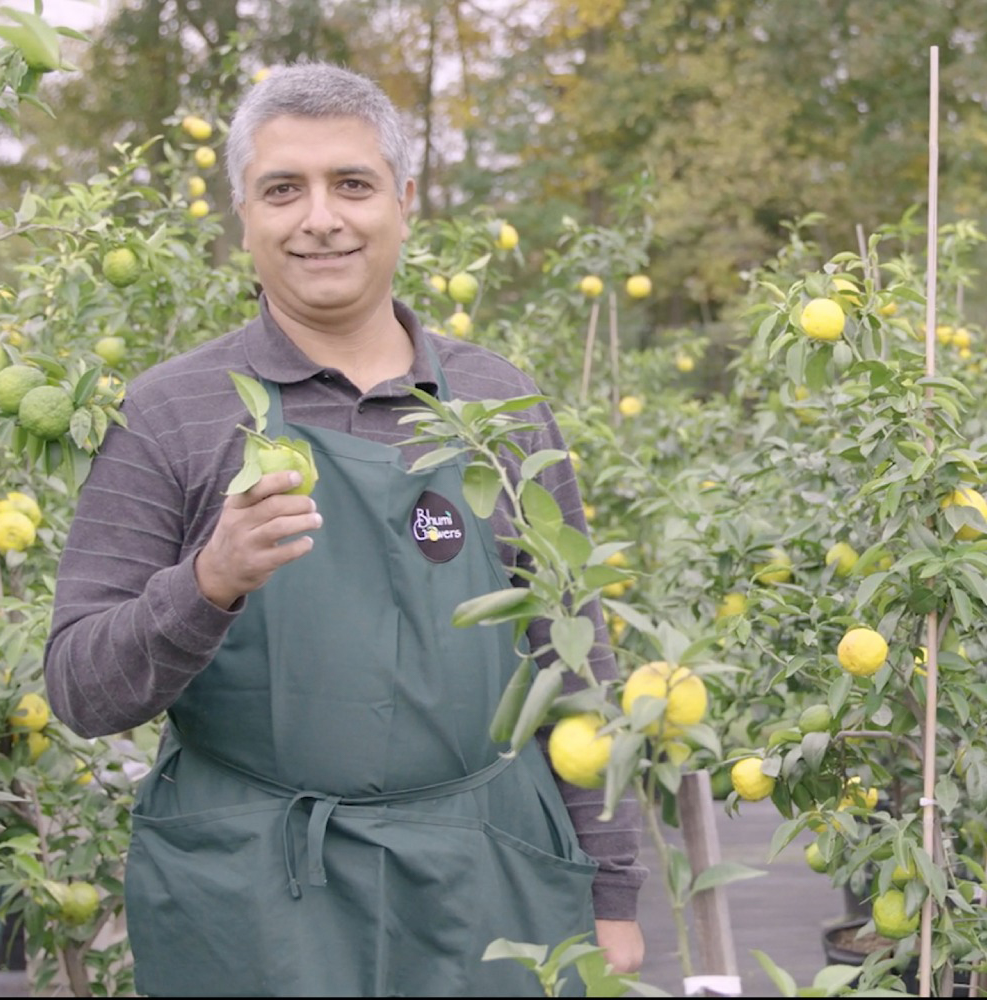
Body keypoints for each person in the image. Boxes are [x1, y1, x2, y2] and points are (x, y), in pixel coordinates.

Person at [43, 63, 644, 996]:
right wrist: (206, 584)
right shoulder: (170, 413)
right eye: (284, 189)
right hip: (253, 893)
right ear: (241, 215)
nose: (319, 218)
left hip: (483, 878)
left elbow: (574, 654)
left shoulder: (497, 402)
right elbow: (81, 689)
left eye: (351, 185)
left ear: (404, 202)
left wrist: (613, 889)